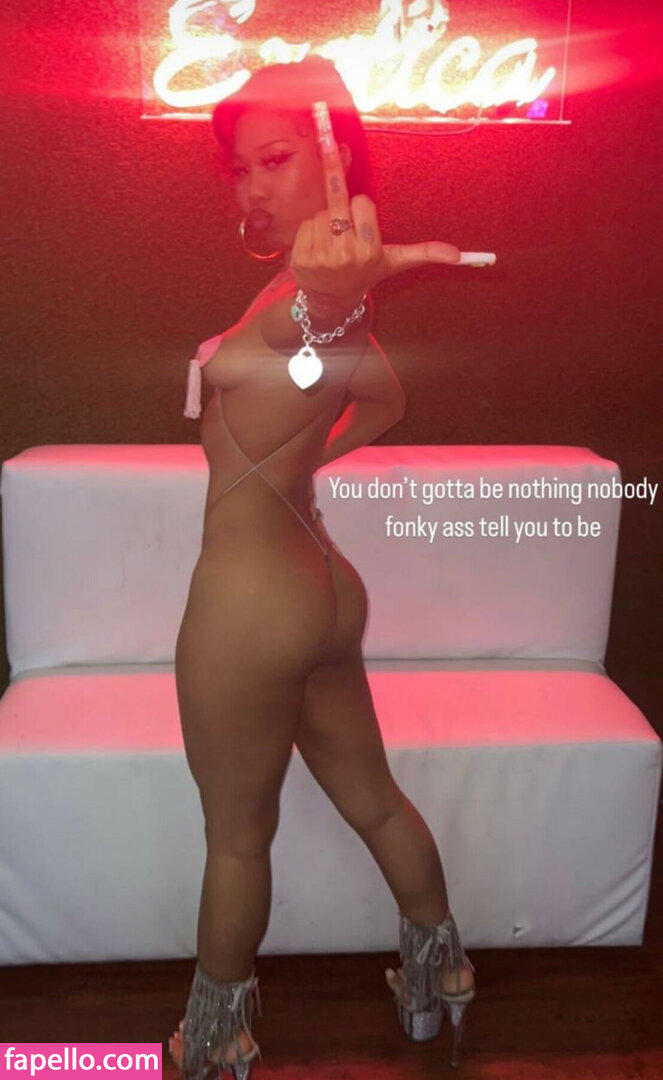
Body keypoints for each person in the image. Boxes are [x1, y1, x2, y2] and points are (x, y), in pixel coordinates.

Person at [168, 55, 476, 1080]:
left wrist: (329, 300)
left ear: (337, 161)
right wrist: (301, 462)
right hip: (321, 590)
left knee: (235, 839)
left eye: (276, 158)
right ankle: (439, 975)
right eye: (239, 168)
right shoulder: (302, 299)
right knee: (375, 800)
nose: (252, 187)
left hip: (252, 606)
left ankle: (215, 1042)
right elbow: (383, 399)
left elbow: (314, 324)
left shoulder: (311, 300)